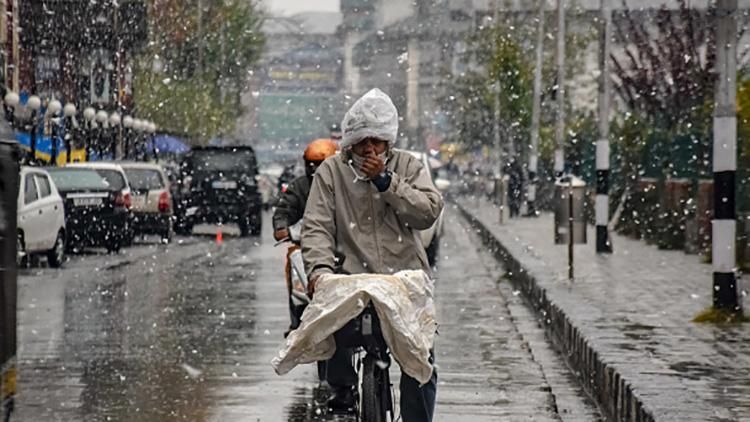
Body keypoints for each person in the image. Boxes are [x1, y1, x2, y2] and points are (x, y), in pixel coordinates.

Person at [301, 88, 443, 421]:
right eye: (363, 141)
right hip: (350, 279)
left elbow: (427, 211)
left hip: (403, 281)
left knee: (421, 363)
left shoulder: (408, 165)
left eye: (377, 141)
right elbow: (317, 227)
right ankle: (343, 396)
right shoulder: (331, 173)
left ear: (388, 143)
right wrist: (320, 272)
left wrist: (386, 182)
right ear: (349, 142)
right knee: (326, 330)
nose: (370, 148)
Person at [272, 139, 338, 335]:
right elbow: (284, 211)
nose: (314, 169)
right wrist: (281, 227)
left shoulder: (349, 184)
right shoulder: (299, 187)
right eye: (311, 164)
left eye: (320, 164)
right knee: (294, 261)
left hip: (342, 246)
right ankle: (297, 317)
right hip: (307, 246)